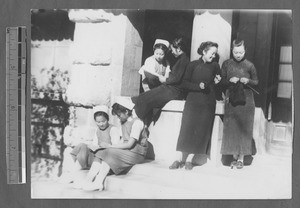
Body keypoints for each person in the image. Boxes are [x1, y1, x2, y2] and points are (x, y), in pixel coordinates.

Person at [169, 41, 221, 170]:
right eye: (212, 53)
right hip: (192, 101)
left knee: (200, 131)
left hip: (208, 103)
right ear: (204, 51)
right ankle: (178, 158)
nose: (213, 56)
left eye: (215, 54)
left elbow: (218, 84)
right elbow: (183, 83)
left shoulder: (215, 66)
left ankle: (190, 160)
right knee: (186, 129)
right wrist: (198, 86)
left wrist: (218, 82)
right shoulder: (192, 65)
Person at [81, 97, 148, 191]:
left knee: (108, 151)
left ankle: (98, 181)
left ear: (126, 112)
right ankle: (89, 179)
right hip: (128, 151)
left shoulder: (137, 123)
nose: (118, 117)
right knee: (104, 151)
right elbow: (123, 141)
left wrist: (110, 146)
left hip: (137, 153)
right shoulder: (124, 122)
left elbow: (130, 144)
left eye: (119, 115)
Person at [220, 39, 258, 169]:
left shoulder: (249, 65)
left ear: (245, 51)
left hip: (246, 100)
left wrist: (247, 80)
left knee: (244, 128)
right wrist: (230, 80)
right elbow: (222, 82)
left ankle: (241, 158)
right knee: (232, 128)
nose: (238, 55)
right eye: (236, 52)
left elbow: (256, 82)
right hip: (232, 99)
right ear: (232, 51)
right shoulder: (226, 64)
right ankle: (233, 157)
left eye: (241, 52)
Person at [132, 37, 190, 123]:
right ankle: (138, 119)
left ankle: (137, 121)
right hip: (170, 88)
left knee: (147, 98)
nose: (172, 52)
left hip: (173, 90)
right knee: (145, 97)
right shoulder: (181, 59)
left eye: (173, 49)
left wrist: (165, 80)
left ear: (179, 49)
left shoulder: (183, 60)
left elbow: (176, 78)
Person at [59, 105, 121, 185]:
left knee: (101, 153)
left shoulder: (113, 129)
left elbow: (115, 147)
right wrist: (92, 146)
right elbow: (95, 144)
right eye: (98, 122)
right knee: (82, 146)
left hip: (106, 160)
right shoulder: (98, 130)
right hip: (97, 156)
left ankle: (87, 178)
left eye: (103, 121)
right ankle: (73, 173)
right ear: (95, 121)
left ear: (107, 119)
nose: (101, 124)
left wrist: (105, 146)